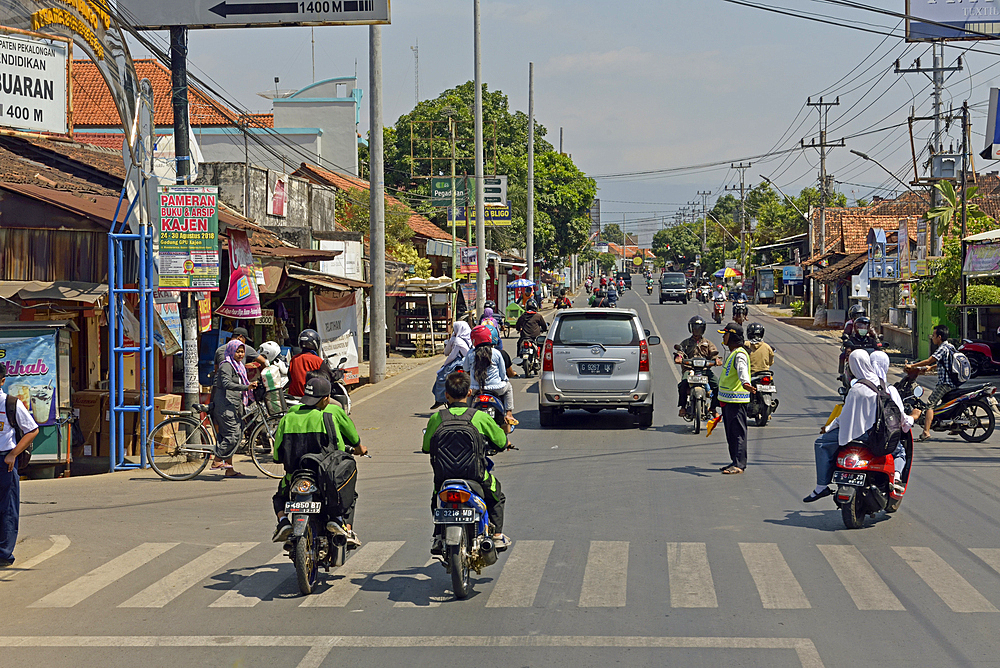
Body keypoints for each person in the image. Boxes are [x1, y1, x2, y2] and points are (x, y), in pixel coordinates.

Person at [271, 376, 367, 546]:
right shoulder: (332, 412)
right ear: (326, 398)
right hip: (326, 478)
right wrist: (360, 449)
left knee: (279, 497)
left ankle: (284, 521)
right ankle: (343, 525)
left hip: (294, 477)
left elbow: (277, 456)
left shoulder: (289, 417)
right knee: (349, 495)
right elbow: (349, 441)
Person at [423, 371, 510, 555]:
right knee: (497, 495)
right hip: (475, 475)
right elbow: (501, 442)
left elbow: (426, 447)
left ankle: (439, 535)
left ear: (446, 395)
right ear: (469, 392)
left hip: (444, 478)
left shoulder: (436, 419)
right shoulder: (479, 417)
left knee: (435, 499)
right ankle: (497, 536)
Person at [804, 349, 880, 502]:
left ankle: (821, 486)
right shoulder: (881, 384)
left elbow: (844, 418)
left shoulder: (857, 389)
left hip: (858, 434)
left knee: (821, 443)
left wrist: (828, 428)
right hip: (876, 434)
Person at [0, 365, 39, 568]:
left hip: (4, 460)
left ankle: (4, 554)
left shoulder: (10, 403)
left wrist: (13, 454)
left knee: (7, 507)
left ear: (2, 380)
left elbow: (32, 429)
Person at [211, 339, 259, 477]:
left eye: (242, 351)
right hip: (225, 405)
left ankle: (229, 469)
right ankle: (217, 460)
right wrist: (246, 387)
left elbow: (240, 382)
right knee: (233, 435)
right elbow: (226, 383)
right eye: (238, 351)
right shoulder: (226, 365)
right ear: (231, 351)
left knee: (235, 434)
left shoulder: (238, 366)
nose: (240, 354)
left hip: (234, 404)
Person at [871, 351, 917, 493]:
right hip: (879, 438)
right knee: (900, 452)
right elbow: (902, 421)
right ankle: (896, 477)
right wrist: (913, 417)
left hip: (857, 437)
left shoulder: (858, 387)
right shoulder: (890, 390)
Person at [905, 324, 958, 442]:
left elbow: (930, 359)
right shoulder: (950, 346)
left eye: (933, 335)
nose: (932, 337)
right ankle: (955, 426)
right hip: (952, 382)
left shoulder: (942, 348)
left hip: (945, 383)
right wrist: (931, 368)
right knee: (946, 403)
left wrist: (912, 365)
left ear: (939, 337)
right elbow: (944, 362)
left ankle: (926, 432)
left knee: (930, 405)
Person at [717, 323, 754, 474]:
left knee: (738, 433)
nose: (723, 337)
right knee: (731, 434)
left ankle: (739, 464)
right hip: (728, 400)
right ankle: (734, 461)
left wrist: (745, 383)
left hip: (736, 400)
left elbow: (742, 370)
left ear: (732, 336)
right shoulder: (733, 353)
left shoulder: (739, 354)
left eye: (725, 334)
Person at [464, 325, 516, 429]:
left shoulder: (470, 354)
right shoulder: (496, 353)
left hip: (475, 390)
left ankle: (466, 418)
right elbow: (503, 375)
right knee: (509, 387)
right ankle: (509, 414)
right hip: (496, 389)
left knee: (468, 401)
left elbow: (466, 371)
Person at [676, 316, 722, 419]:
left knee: (718, 386)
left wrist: (716, 360)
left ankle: (713, 408)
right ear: (691, 328)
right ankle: (683, 407)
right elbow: (680, 352)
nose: (696, 330)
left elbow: (714, 354)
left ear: (703, 329)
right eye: (694, 328)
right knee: (683, 385)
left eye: (699, 328)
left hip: (705, 371)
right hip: (690, 370)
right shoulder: (686, 343)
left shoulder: (708, 343)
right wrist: (679, 358)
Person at [432, 319, 472, 409]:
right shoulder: (471, 338)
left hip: (457, 362)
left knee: (441, 377)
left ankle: (440, 399)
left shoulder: (456, 340)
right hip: (469, 362)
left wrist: (445, 364)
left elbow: (450, 354)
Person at [288, 329, 325, 396]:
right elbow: (328, 375)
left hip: (294, 396)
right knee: (338, 404)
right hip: (312, 397)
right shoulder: (318, 360)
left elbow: (290, 376)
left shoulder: (294, 359)